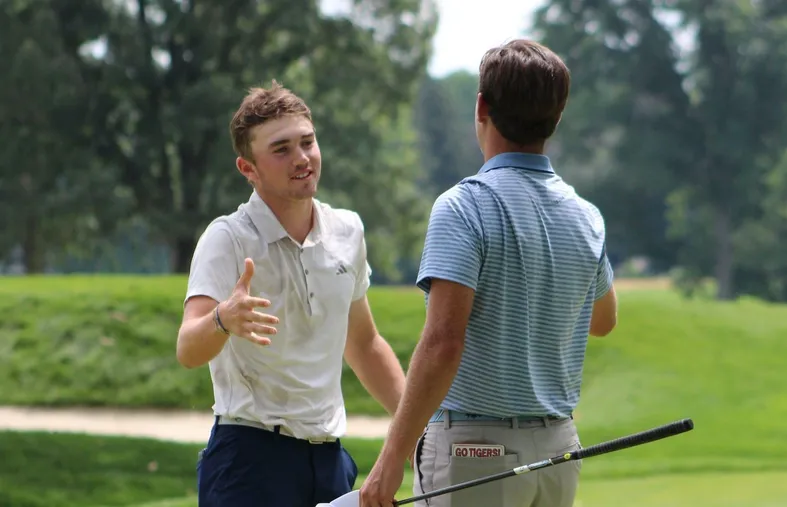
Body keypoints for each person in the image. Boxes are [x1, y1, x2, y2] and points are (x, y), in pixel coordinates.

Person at [359, 39, 618, 507]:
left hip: (476, 452)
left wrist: (391, 457)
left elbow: (443, 342)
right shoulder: (587, 216)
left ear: (481, 106)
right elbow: (603, 320)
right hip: (559, 449)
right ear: (556, 119)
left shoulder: (463, 206)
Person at [176, 81, 406, 507]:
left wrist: (417, 426)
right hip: (249, 457)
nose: (302, 158)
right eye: (281, 149)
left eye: (308, 142)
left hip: (331, 459)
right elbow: (188, 348)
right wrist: (223, 319)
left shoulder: (348, 231)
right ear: (248, 168)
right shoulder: (227, 238)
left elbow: (364, 344)